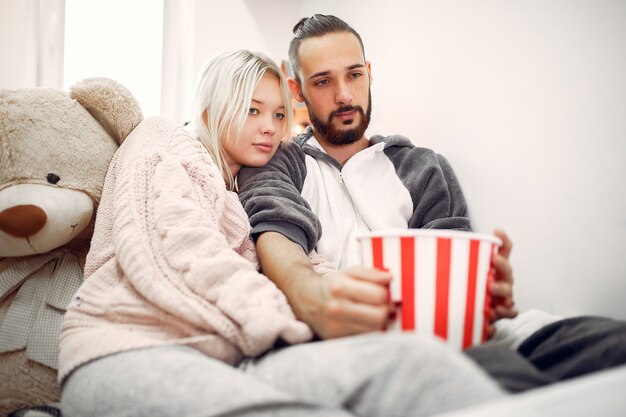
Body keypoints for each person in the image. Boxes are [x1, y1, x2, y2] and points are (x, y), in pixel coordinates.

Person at [58, 50, 505, 417]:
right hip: (130, 350)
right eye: (252, 110)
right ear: (213, 111)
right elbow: (175, 254)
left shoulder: (245, 188)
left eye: (278, 113)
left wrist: (366, 307)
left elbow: (306, 259)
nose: (270, 127)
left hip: (238, 357)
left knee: (417, 365)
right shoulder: (163, 142)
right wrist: (298, 321)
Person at [238, 14, 626, 392]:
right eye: (323, 81)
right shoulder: (276, 162)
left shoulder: (423, 166)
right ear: (296, 89)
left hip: (474, 328)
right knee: (497, 375)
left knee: (610, 343)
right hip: (382, 346)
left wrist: (483, 290)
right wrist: (312, 296)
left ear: (369, 73)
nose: (343, 95)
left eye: (354, 75)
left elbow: (454, 262)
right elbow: (277, 233)